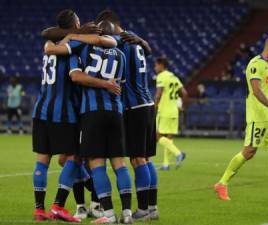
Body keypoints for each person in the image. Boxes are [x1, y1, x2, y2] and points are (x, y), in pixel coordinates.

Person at [32, 10, 118, 223]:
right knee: (73, 157)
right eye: (78, 21)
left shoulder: (51, 43)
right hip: (64, 112)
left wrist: (73, 33)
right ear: (74, 23)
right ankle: (59, 206)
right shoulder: (74, 46)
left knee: (43, 159)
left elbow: (47, 37)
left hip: (41, 109)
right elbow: (78, 74)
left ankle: (39, 210)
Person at [214, 35, 268, 202]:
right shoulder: (255, 64)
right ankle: (222, 183)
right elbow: (256, 90)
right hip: (258, 116)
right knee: (249, 152)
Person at [95, 9, 159, 221]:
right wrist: (144, 41)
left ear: (110, 25)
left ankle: (142, 210)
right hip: (148, 103)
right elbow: (148, 52)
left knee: (137, 159)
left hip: (134, 107)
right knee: (146, 158)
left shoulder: (117, 41)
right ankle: (152, 207)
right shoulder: (134, 41)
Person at [154, 57, 188, 170]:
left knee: (157, 136)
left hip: (164, 111)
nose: (155, 68)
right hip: (174, 111)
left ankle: (178, 154)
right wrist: (182, 107)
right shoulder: (173, 77)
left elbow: (158, 94)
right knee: (168, 139)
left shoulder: (161, 76)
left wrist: (153, 107)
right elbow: (184, 93)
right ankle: (166, 164)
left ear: (161, 65)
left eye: (156, 65)